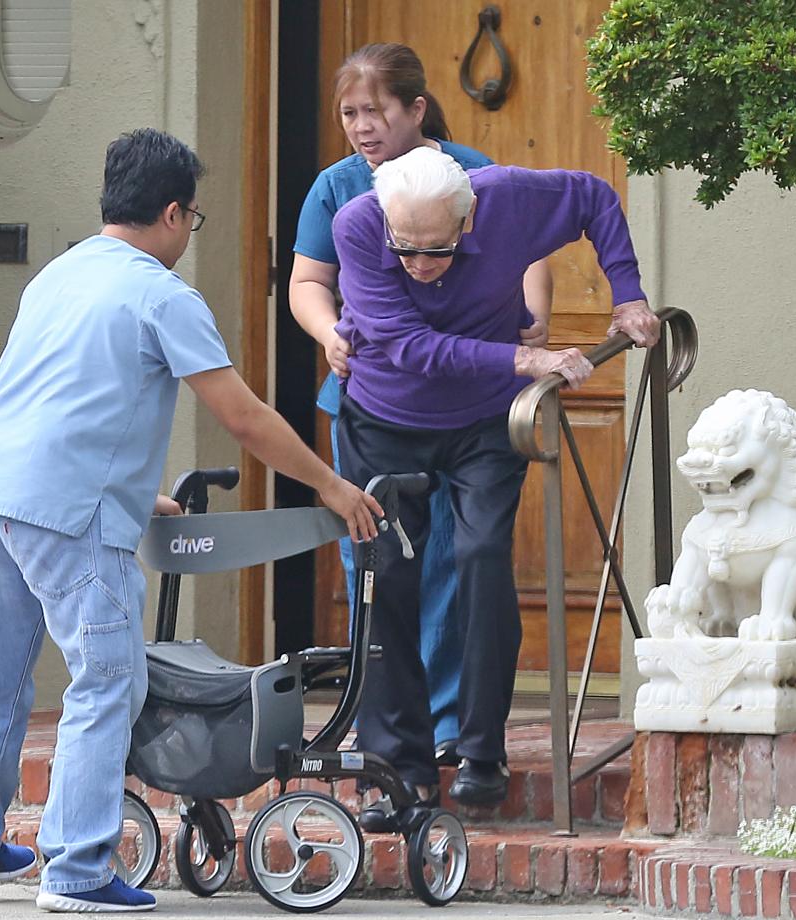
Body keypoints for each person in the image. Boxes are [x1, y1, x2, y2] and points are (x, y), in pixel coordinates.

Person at [0, 129, 381, 913]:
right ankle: (74, 873)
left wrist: (138, 498)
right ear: (173, 213)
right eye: (193, 220)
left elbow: (58, 401)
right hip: (67, 515)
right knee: (107, 679)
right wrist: (332, 486)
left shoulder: (57, 276)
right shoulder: (161, 295)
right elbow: (242, 418)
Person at [331, 146, 660, 809]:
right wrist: (525, 357)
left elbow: (596, 196)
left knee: (481, 557)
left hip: (485, 423)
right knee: (386, 577)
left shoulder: (507, 198)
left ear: (469, 217)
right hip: (385, 417)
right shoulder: (360, 225)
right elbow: (407, 346)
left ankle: (482, 749)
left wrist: (627, 294)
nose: (421, 267)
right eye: (407, 250)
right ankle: (399, 769)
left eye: (438, 250)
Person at [288, 42, 553, 780]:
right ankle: (390, 747)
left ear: (416, 108)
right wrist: (327, 332)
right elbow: (309, 280)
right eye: (349, 113)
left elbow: (529, 253)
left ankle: (454, 731)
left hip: (471, 409)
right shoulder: (336, 188)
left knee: (460, 563)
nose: (360, 127)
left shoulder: (472, 171)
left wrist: (532, 317)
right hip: (374, 405)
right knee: (381, 569)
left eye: (374, 111)